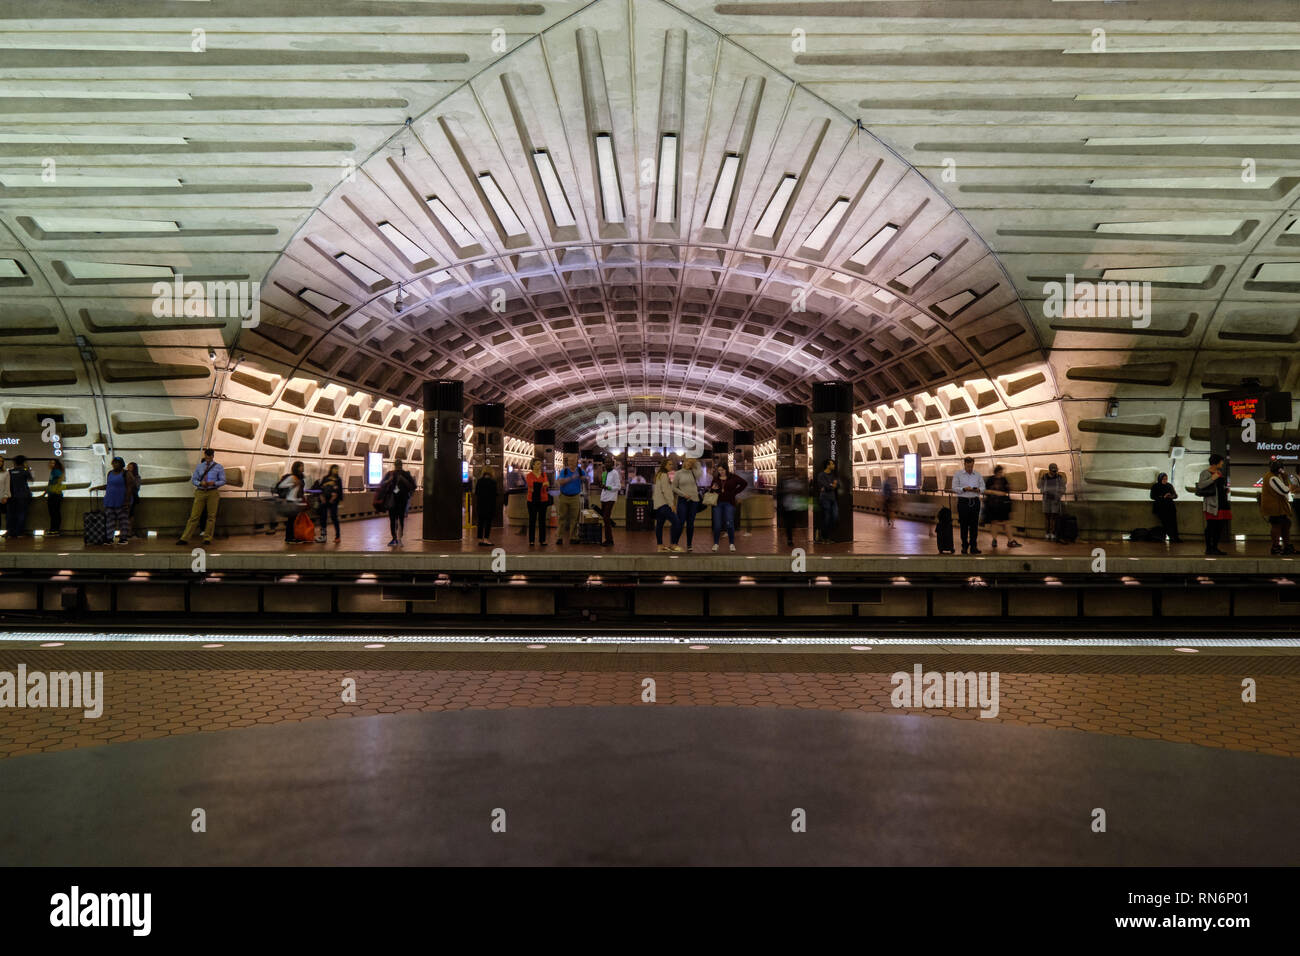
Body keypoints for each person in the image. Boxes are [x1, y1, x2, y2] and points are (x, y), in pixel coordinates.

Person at [177, 448, 226, 544]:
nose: (207, 458)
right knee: (194, 516)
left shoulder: (219, 467)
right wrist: (200, 483)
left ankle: (207, 538)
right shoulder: (200, 467)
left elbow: (223, 480)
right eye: (206, 456)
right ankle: (184, 538)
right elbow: (194, 479)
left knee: (211, 516)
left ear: (212, 456)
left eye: (209, 456)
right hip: (200, 491)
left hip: (212, 492)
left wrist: (214, 483)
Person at [1195, 454, 1231, 556]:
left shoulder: (1219, 473)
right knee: (1211, 526)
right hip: (1212, 504)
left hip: (1222, 502)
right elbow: (1201, 485)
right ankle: (1209, 548)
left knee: (1219, 527)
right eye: (1221, 461)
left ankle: (1215, 547)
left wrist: (1225, 490)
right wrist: (1213, 478)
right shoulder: (1205, 473)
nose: (1222, 463)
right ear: (1216, 462)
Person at [709, 462, 748, 552]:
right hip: (717, 503)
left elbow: (744, 483)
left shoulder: (733, 477)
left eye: (722, 470)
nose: (720, 472)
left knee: (730, 523)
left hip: (729, 503)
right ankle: (715, 544)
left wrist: (735, 492)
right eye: (719, 470)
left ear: (726, 469)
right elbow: (711, 491)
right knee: (717, 525)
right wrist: (712, 489)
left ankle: (731, 544)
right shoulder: (716, 478)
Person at [1259, 460, 1294, 555]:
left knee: (1286, 523)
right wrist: (1285, 478)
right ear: (1280, 469)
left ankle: (1286, 546)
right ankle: (1276, 547)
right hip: (1275, 507)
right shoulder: (1272, 478)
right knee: (1277, 525)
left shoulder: (1270, 476)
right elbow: (1285, 490)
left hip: (1276, 507)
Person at [951, 456, 985, 555]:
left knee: (974, 526)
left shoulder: (977, 475)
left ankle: (974, 546)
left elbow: (983, 487)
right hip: (963, 502)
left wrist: (978, 490)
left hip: (975, 501)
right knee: (964, 525)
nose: (970, 468)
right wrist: (964, 489)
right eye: (968, 466)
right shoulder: (958, 474)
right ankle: (964, 546)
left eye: (971, 466)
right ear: (964, 464)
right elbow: (954, 488)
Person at [380, 458, 416, 547]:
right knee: (398, 520)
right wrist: (390, 481)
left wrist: (402, 480)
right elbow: (413, 486)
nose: (398, 467)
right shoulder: (393, 474)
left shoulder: (402, 474)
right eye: (398, 465)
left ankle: (396, 538)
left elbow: (413, 486)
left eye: (398, 465)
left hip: (398, 501)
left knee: (396, 520)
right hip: (397, 500)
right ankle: (396, 538)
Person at [983, 464, 1020, 548]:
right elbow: (985, 490)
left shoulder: (1004, 479)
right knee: (995, 522)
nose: (1001, 473)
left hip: (1003, 505)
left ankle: (1008, 540)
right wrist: (996, 492)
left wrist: (1009, 488)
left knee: (1003, 522)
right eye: (1000, 472)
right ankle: (997, 540)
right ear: (996, 472)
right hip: (993, 505)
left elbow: (1008, 490)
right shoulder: (990, 479)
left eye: (1001, 472)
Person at [671, 457, 702, 551]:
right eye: (687, 462)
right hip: (683, 500)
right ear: (684, 462)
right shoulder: (678, 473)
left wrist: (696, 462)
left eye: (690, 463)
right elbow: (673, 487)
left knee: (690, 524)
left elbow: (699, 472)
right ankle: (675, 543)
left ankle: (689, 544)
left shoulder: (694, 473)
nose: (688, 464)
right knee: (681, 522)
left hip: (694, 501)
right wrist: (683, 494)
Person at [275, 461, 309, 543]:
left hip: (296, 500)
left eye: (303, 466)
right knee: (291, 520)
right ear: (297, 467)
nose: (303, 468)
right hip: (291, 501)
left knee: (293, 520)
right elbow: (281, 486)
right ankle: (289, 538)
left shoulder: (300, 478)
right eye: (301, 466)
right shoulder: (292, 477)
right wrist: (292, 484)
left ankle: (292, 537)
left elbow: (300, 491)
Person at [102, 456, 132, 545]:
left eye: (117, 463)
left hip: (121, 500)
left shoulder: (126, 474)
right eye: (114, 463)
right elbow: (108, 485)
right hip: (110, 500)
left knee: (123, 520)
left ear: (121, 464)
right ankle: (109, 537)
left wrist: (127, 501)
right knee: (109, 520)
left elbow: (129, 487)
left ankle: (123, 537)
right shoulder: (110, 473)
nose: (115, 465)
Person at [652, 459, 681, 552]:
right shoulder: (664, 475)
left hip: (658, 504)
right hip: (664, 504)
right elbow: (666, 491)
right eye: (669, 464)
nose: (671, 466)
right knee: (676, 522)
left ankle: (660, 546)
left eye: (672, 464)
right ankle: (673, 544)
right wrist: (671, 504)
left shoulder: (659, 475)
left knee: (659, 525)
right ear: (664, 465)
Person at [554, 455, 583, 546]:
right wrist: (571, 478)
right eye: (570, 461)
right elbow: (560, 482)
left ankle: (573, 537)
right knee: (562, 517)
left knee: (574, 518)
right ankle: (559, 537)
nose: (571, 462)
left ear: (576, 462)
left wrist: (584, 477)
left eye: (573, 461)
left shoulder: (580, 471)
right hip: (564, 497)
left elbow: (587, 479)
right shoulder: (564, 471)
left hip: (575, 497)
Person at [3, 456, 34, 538]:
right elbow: (31, 479)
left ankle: (10, 531)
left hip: (11, 496)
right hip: (23, 496)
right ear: (23, 462)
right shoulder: (25, 471)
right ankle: (19, 532)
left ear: (14, 462)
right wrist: (27, 468)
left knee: (10, 514)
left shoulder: (9, 472)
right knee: (21, 514)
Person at [524, 459, 550, 546]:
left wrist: (538, 485)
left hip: (543, 500)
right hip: (532, 500)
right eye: (538, 464)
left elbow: (547, 484)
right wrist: (542, 485)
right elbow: (531, 485)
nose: (540, 465)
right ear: (533, 465)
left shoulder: (544, 474)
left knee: (542, 521)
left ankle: (542, 540)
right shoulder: (529, 475)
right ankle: (531, 540)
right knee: (532, 520)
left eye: (540, 464)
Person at [1149, 472, 1181, 543]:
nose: (1165, 480)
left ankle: (1176, 537)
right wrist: (1163, 496)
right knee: (1166, 523)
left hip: (1170, 507)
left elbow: (1175, 495)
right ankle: (1171, 537)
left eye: (1166, 479)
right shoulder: (1155, 486)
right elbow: (1152, 496)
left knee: (1173, 523)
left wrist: (1171, 496)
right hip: (1161, 508)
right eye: (1163, 479)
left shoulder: (1169, 485)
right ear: (1160, 479)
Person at [1038, 463, 1067, 541]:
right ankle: (1047, 533)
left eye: (1055, 471)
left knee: (1054, 518)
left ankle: (1053, 533)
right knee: (1047, 517)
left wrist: (1059, 496)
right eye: (1053, 471)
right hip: (1046, 499)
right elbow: (1039, 486)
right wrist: (1040, 482)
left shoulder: (1059, 477)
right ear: (1049, 470)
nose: (1054, 472)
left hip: (1055, 499)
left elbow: (1063, 488)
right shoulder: (1044, 477)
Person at [316, 464, 344, 543]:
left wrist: (335, 498)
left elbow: (339, 491)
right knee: (323, 518)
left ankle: (337, 536)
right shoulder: (325, 478)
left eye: (337, 469)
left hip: (333, 502)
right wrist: (321, 497)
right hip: (324, 501)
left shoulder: (338, 479)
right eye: (335, 469)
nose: (336, 471)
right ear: (331, 469)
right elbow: (320, 488)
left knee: (334, 518)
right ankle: (323, 536)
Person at [778, 472, 806, 548]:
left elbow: (801, 490)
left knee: (792, 523)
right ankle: (789, 539)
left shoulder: (797, 482)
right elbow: (781, 492)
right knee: (789, 523)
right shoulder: (786, 482)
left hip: (795, 505)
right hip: (787, 505)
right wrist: (789, 491)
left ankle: (790, 535)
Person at [815, 459, 840, 544]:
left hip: (833, 499)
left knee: (835, 517)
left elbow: (836, 485)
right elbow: (826, 486)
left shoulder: (833, 475)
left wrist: (831, 485)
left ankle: (825, 535)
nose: (834, 466)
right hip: (825, 499)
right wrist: (831, 485)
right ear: (828, 465)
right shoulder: (821, 475)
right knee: (826, 518)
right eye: (832, 464)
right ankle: (825, 537)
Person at [599, 457, 622, 547]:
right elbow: (604, 484)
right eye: (606, 462)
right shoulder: (604, 473)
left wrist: (608, 488)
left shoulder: (615, 473)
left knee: (606, 518)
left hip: (611, 498)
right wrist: (602, 486)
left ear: (612, 464)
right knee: (605, 518)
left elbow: (618, 486)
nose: (607, 464)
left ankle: (609, 540)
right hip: (603, 497)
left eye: (609, 462)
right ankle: (610, 528)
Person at [474, 465, 498, 545]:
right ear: (491, 472)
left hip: (481, 505)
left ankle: (480, 539)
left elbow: (476, 493)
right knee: (488, 523)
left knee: (480, 522)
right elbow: (495, 494)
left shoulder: (479, 481)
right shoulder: (493, 482)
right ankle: (486, 539)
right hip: (490, 505)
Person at [45, 459, 66, 537]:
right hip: (53, 494)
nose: (51, 464)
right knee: (53, 513)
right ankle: (54, 529)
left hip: (55, 494)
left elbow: (59, 480)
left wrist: (56, 489)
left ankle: (55, 530)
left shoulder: (56, 471)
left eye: (53, 463)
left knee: (54, 513)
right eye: (50, 463)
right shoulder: (53, 472)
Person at [125, 462, 143, 536]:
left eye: (130, 467)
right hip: (125, 496)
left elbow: (136, 486)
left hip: (132, 497)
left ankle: (130, 530)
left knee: (130, 514)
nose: (128, 469)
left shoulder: (137, 477)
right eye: (128, 467)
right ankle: (125, 530)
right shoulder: (125, 476)